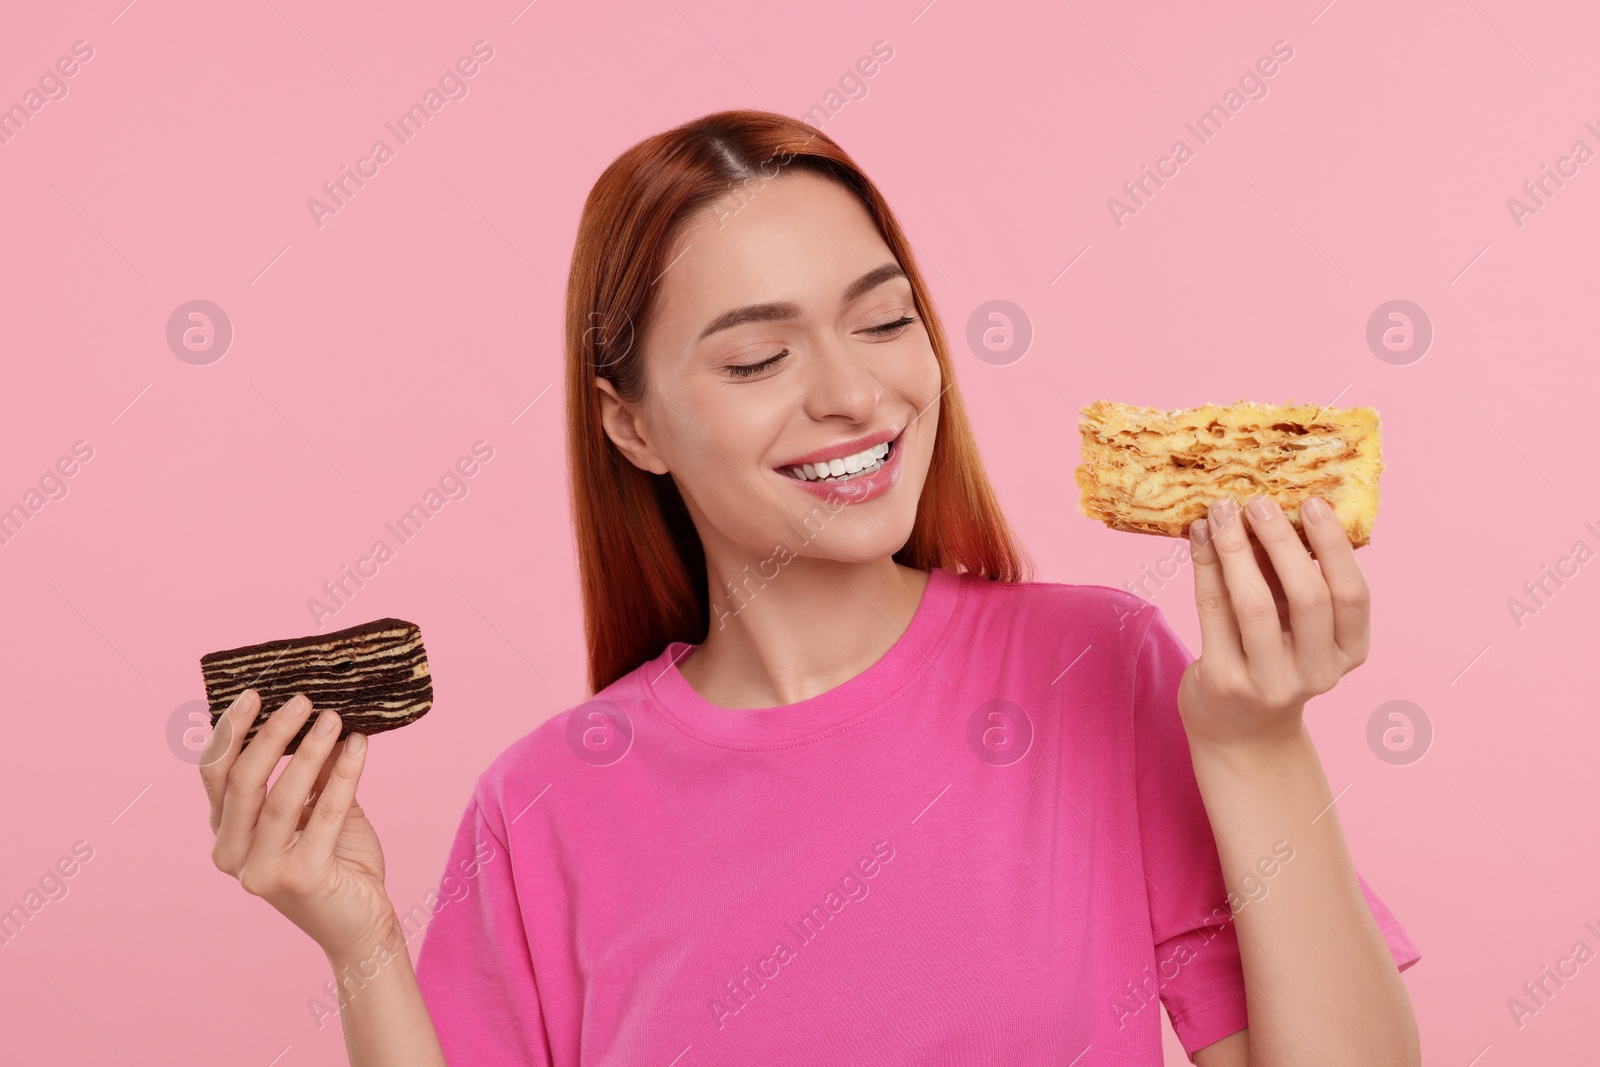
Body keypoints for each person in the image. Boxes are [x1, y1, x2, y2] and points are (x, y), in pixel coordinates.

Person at [200, 109, 1422, 1066]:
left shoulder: (1095, 665)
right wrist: (359, 940)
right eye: (758, 356)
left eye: (884, 322)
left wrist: (1258, 743)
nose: (852, 392)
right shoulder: (544, 805)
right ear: (632, 426)